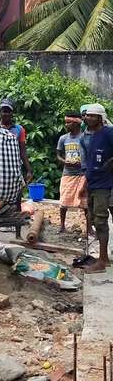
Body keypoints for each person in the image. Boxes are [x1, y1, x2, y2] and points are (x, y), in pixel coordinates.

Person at [80, 103, 113, 273]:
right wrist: (85, 184)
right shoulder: (92, 136)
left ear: (100, 118)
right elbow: (91, 163)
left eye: (92, 116)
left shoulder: (108, 132)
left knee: (101, 222)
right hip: (93, 184)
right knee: (93, 219)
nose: (87, 118)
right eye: (87, 115)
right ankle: (104, 258)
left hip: (104, 185)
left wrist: (110, 163)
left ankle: (101, 262)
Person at [56, 112, 89, 234]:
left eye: (68, 122)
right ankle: (62, 226)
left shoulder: (85, 137)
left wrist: (83, 163)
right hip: (68, 173)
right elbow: (58, 155)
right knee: (64, 201)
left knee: (85, 203)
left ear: (76, 124)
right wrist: (65, 161)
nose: (66, 125)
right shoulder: (63, 138)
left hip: (82, 174)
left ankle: (88, 228)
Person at [0, 98, 33, 184]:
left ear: (12, 113)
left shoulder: (19, 129)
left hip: (14, 170)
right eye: (4, 111)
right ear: (0, 112)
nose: (6, 114)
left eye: (9, 111)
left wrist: (29, 170)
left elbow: (23, 152)